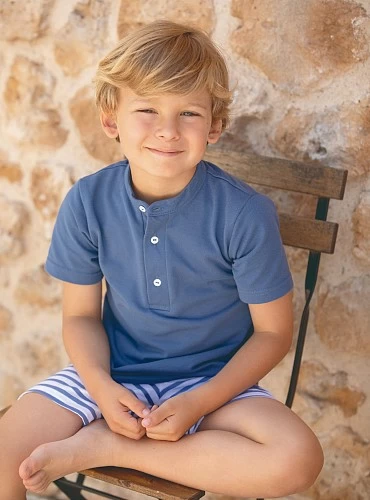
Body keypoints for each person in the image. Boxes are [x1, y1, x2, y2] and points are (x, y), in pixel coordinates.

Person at [0, 20, 324, 499]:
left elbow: (273, 334)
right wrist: (100, 386)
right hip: (112, 375)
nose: (168, 131)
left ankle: (103, 448)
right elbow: (81, 317)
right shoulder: (87, 203)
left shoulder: (244, 214)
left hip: (215, 386)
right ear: (112, 120)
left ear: (214, 124)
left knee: (298, 459)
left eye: (189, 113)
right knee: (6, 453)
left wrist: (198, 402)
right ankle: (102, 435)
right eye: (147, 109)